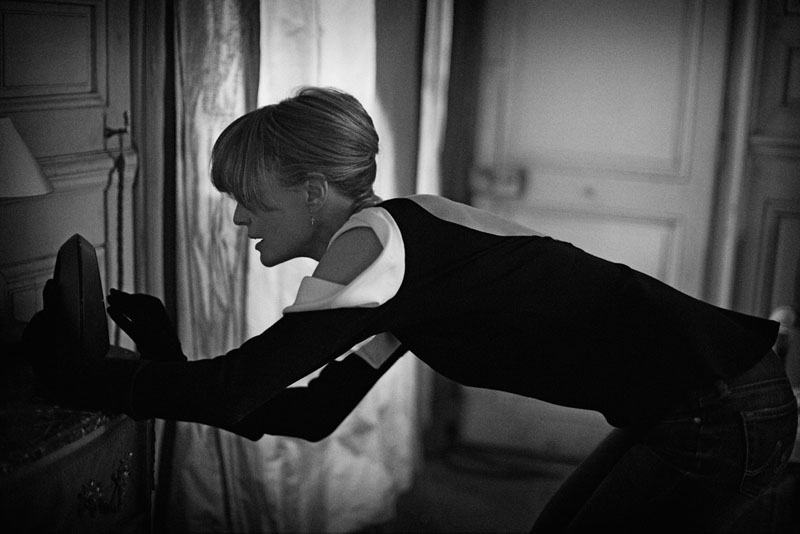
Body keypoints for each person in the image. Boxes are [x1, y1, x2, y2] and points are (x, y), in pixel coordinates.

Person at [25, 87, 797, 532]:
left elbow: (236, 391)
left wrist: (86, 379)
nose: (238, 219)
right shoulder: (403, 244)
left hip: (719, 406)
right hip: (713, 392)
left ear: (312, 192)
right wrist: (167, 363)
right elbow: (312, 413)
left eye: (250, 199)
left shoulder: (371, 250)